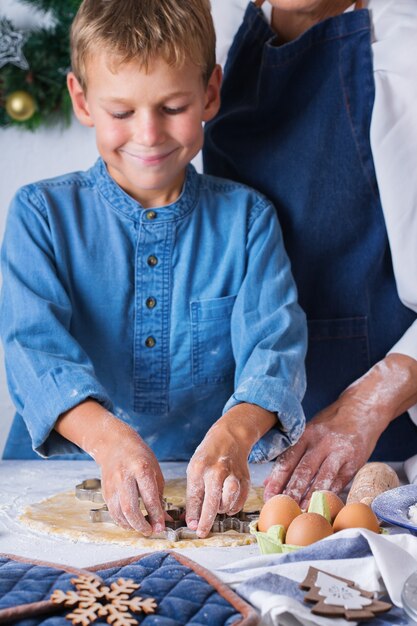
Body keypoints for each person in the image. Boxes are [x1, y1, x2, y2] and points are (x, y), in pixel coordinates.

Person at [0, 0, 307, 538]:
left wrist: (236, 434)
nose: (148, 134)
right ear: (82, 99)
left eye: (172, 107)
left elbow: (274, 348)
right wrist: (110, 441)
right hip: (49, 478)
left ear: (210, 92)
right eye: (121, 112)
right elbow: (33, 351)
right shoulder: (40, 215)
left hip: (211, 488)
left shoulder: (248, 219)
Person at [204, 0, 417, 507]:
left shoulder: (403, 52)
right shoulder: (215, 32)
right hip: (236, 449)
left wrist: (369, 402)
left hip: (379, 456)